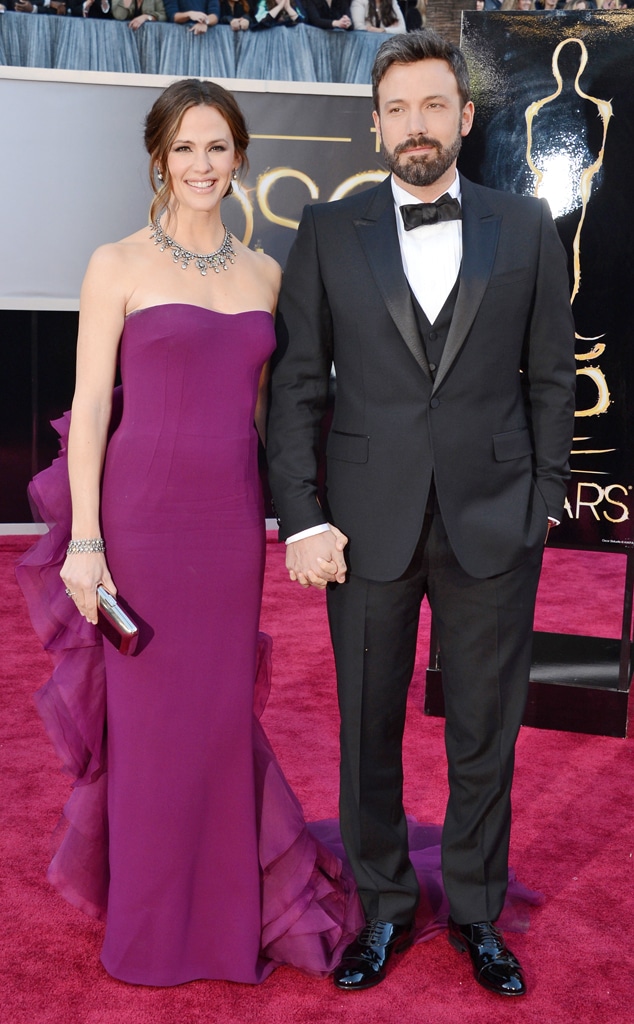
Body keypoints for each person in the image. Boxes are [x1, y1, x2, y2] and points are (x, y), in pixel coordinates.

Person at [16, 78, 369, 986]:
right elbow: (91, 407)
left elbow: (273, 416)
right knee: (146, 733)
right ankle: (149, 928)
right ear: (159, 160)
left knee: (214, 724)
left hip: (225, 528)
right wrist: (85, 542)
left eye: (217, 147)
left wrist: (303, 515)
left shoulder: (263, 274)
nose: (201, 165)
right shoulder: (117, 263)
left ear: (240, 155)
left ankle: (222, 921)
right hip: (137, 524)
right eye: (184, 148)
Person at [267, 29, 576, 997]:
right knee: (366, 726)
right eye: (397, 108)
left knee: (484, 729)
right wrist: (304, 515)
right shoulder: (326, 228)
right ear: (374, 125)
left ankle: (478, 911)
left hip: (495, 517)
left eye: (432, 106)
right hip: (363, 523)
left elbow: (552, 378)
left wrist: (541, 497)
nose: (415, 125)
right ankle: (384, 906)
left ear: (464, 118)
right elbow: (296, 393)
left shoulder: (524, 226)